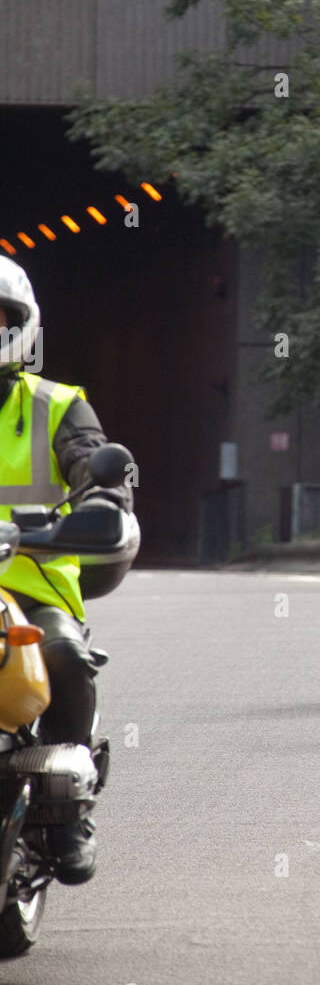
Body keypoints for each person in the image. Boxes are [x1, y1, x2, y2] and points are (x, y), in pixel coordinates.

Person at [0, 256, 134, 884]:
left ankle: (66, 812)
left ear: (21, 327)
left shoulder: (58, 407)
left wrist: (101, 505)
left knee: (63, 656)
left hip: (29, 590)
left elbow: (94, 474)